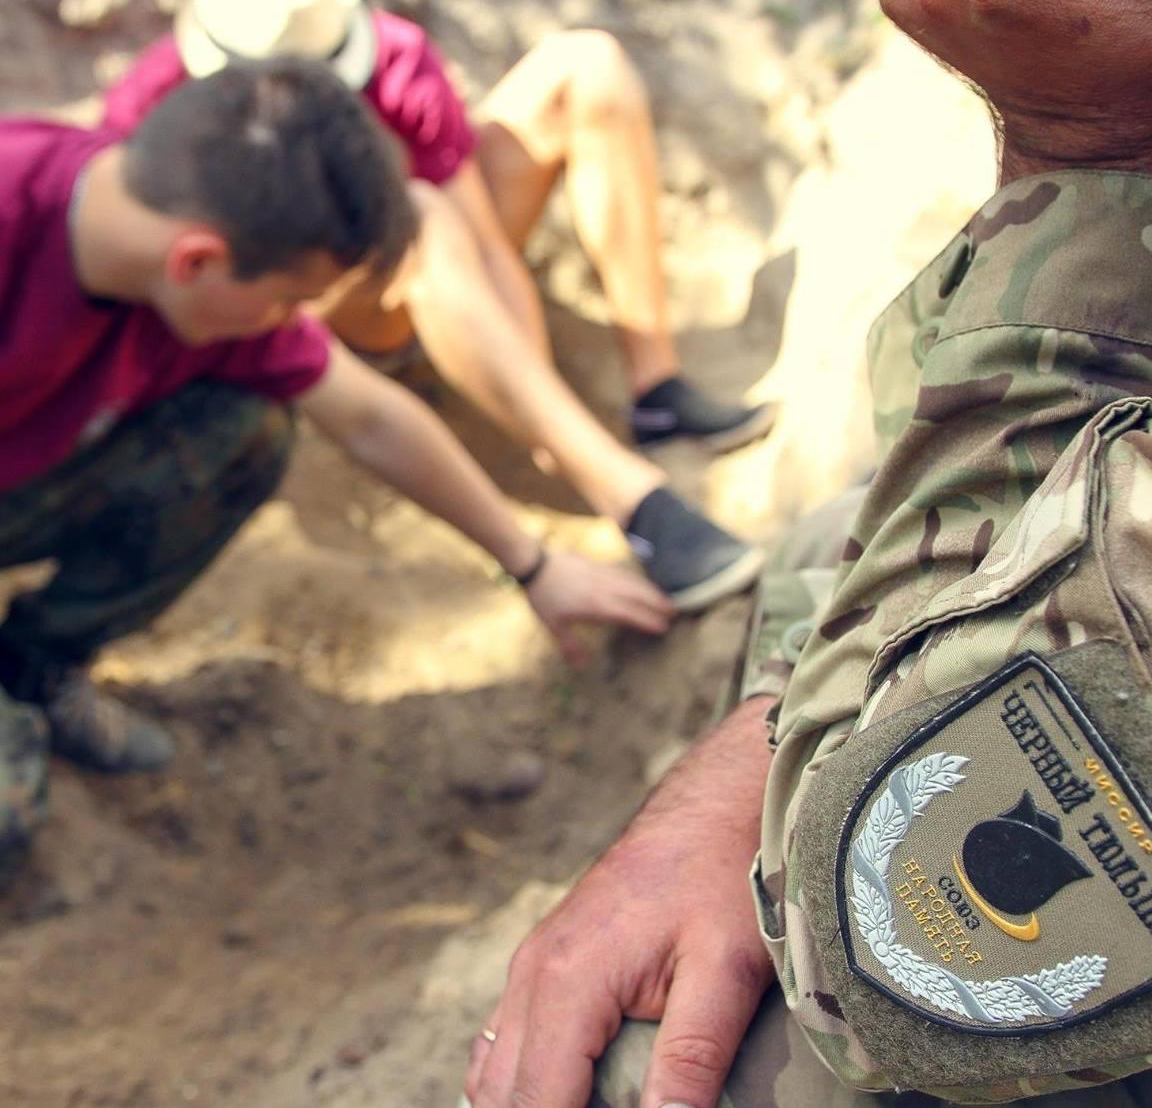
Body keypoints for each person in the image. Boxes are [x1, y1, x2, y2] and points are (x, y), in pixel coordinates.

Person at [461, 0, 1152, 1108]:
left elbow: (889, 937)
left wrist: (1091, 152)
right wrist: (759, 759)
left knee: (656, 1082)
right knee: (831, 546)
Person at [0, 59, 681, 890]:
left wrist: (531, 563)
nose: (292, 325)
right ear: (197, 261)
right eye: (289, 301)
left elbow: (365, 414)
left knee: (244, 431)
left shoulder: (185, 255)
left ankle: (32, 664)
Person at [103, 0, 775, 611]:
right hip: (287, 311)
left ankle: (653, 388)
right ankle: (634, 500)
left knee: (588, 68)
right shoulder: (151, 111)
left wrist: (539, 413)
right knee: (418, 212)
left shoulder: (395, 58)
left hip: (420, 270)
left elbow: (482, 240)